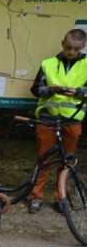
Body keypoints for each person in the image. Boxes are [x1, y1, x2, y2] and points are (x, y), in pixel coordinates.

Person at [26, 28, 87, 213]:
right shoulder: (48, 64)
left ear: (83, 47)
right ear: (62, 43)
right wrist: (50, 90)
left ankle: (61, 197)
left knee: (66, 161)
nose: (71, 52)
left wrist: (78, 92)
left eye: (76, 49)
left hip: (72, 119)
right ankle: (35, 197)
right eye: (68, 47)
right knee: (43, 159)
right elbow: (36, 89)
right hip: (47, 118)